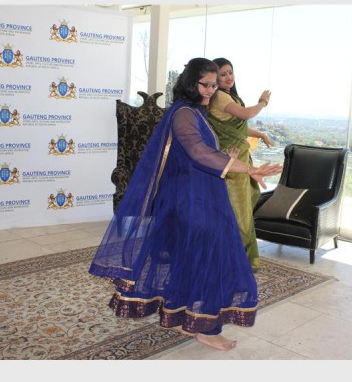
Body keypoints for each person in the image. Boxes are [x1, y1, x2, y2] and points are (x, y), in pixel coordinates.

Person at [88, 57, 282, 351]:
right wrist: (248, 168)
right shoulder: (184, 113)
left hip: (197, 193)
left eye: (214, 86)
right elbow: (197, 152)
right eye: (206, 85)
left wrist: (226, 157)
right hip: (191, 199)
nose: (210, 91)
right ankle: (205, 327)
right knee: (209, 256)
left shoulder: (193, 111)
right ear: (191, 83)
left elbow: (198, 152)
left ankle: (179, 316)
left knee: (188, 258)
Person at [206, 57, 273, 273]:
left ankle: (234, 259)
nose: (228, 77)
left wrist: (260, 134)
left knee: (243, 210)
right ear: (214, 78)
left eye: (230, 72)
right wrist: (263, 102)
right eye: (222, 74)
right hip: (231, 162)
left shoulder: (229, 96)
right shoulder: (219, 96)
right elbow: (246, 114)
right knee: (238, 214)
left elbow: (239, 127)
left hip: (241, 160)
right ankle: (233, 261)